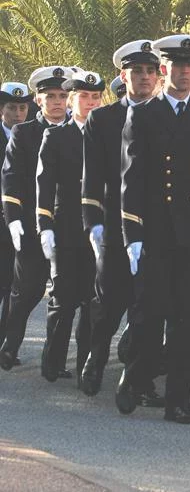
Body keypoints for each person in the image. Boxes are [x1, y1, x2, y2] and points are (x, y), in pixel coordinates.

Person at [118, 34, 190, 425]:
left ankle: (178, 401)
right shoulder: (144, 114)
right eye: (178, 66)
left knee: (189, 320)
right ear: (164, 69)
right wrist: (132, 235)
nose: (184, 73)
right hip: (155, 232)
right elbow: (130, 181)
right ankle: (135, 374)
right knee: (149, 317)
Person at [80, 40, 163, 400]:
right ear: (122, 75)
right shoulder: (103, 118)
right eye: (137, 71)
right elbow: (92, 176)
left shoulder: (167, 116)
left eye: (150, 71)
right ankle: (97, 356)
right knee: (109, 304)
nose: (144, 78)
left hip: (159, 227)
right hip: (115, 226)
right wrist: (93, 224)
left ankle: (138, 379)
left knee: (149, 308)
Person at [0, 66, 72, 371]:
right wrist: (14, 219)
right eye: (50, 96)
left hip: (70, 230)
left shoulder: (80, 130)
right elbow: (12, 178)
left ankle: (54, 360)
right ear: (38, 101)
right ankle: (9, 346)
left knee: (65, 298)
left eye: (62, 96)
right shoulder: (24, 133)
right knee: (25, 293)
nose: (57, 101)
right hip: (32, 228)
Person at [35, 70, 104, 383]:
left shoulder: (108, 133)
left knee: (93, 300)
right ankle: (53, 362)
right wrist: (44, 224)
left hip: (98, 232)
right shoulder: (57, 136)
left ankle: (85, 368)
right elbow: (45, 183)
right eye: (83, 97)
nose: (89, 103)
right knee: (63, 300)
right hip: (65, 229)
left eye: (95, 97)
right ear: (72, 100)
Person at [0, 82, 30, 350]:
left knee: (12, 285)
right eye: (12, 107)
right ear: (2, 110)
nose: (18, 113)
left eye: (22, 107)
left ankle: (6, 343)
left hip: (21, 222)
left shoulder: (34, 135)